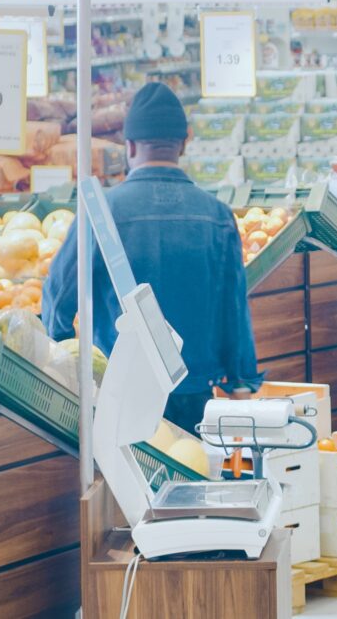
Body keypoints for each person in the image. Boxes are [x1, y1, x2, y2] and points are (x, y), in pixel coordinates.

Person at [41, 82, 257, 433]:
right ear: (183, 144)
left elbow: (58, 296)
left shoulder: (101, 213)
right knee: (192, 476)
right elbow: (234, 310)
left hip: (121, 392)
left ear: (128, 146)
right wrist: (240, 381)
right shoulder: (217, 215)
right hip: (195, 395)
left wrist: (66, 361)